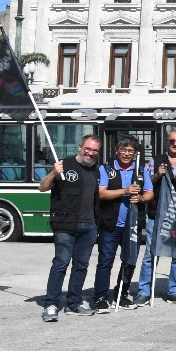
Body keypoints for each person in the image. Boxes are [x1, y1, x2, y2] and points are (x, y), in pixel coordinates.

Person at [39, 135, 103, 321]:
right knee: (61, 263)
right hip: (65, 225)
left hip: (89, 226)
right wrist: (53, 173)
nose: (90, 153)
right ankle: (51, 303)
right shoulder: (63, 165)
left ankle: (74, 303)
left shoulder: (96, 171)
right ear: (80, 147)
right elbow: (42, 187)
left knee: (81, 266)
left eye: (94, 150)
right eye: (87, 149)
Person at [137, 127, 176, 306]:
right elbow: (146, 184)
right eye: (172, 141)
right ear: (168, 142)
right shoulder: (157, 160)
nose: (175, 144)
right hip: (156, 215)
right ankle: (144, 290)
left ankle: (174, 290)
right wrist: (158, 174)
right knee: (151, 253)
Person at [92, 137, 154, 312]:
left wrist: (141, 198)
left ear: (135, 153)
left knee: (130, 261)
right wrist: (125, 191)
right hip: (110, 224)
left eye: (131, 151)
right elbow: (101, 194)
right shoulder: (106, 169)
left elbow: (149, 193)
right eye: (124, 150)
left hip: (133, 224)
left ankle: (122, 292)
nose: (127, 154)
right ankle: (100, 296)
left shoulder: (140, 171)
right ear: (117, 151)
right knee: (105, 261)